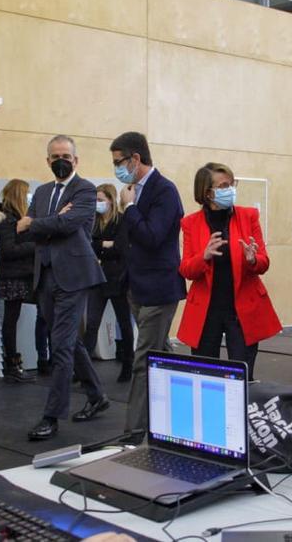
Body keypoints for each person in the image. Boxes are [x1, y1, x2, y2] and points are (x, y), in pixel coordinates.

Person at [18, 135, 110, 441]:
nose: (61, 161)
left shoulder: (85, 189)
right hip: (44, 275)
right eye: (55, 156)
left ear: (76, 160)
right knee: (69, 341)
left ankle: (51, 416)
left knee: (60, 345)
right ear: (47, 160)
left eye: (66, 156)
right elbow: (23, 231)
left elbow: (69, 225)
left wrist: (40, 222)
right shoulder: (42, 191)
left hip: (73, 277)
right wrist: (49, 221)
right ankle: (97, 395)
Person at [111, 132, 186, 434]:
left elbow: (152, 236)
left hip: (158, 288)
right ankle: (178, 414)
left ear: (136, 159)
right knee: (161, 354)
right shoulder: (132, 189)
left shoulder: (164, 190)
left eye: (119, 162)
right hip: (137, 286)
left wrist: (129, 209)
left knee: (144, 360)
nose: (116, 168)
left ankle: (134, 432)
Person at [177, 163, 281, 379]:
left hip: (242, 308)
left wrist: (252, 260)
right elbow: (186, 269)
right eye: (224, 186)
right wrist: (203, 256)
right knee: (205, 374)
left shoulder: (248, 216)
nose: (230, 189)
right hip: (207, 311)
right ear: (207, 193)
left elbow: (264, 262)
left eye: (231, 184)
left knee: (241, 375)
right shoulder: (190, 223)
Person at [82, 183, 135, 382]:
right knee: (92, 324)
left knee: (124, 322)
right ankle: (84, 369)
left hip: (118, 279)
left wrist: (100, 247)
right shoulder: (92, 221)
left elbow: (121, 248)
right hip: (97, 278)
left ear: (111, 201)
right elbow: (87, 245)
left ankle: (128, 364)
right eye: (95, 200)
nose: (97, 204)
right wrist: (104, 244)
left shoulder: (122, 221)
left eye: (101, 200)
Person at [0, 180, 37, 384]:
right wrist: (35, 245)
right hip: (15, 275)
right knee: (11, 319)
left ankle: (21, 362)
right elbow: (8, 250)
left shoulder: (17, 218)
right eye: (27, 194)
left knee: (15, 318)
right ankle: (12, 364)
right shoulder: (6, 219)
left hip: (24, 273)